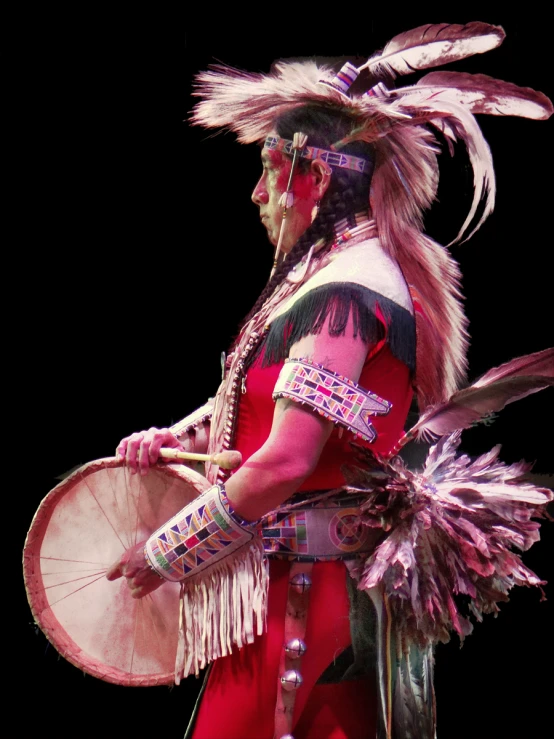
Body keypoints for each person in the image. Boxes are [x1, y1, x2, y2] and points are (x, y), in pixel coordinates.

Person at [106, 22, 553, 739]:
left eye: (266, 171)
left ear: (310, 176)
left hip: (307, 606)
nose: (257, 194)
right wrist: (175, 437)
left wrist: (167, 551)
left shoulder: (348, 292)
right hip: (281, 592)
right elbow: (262, 399)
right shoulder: (331, 280)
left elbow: (288, 459)